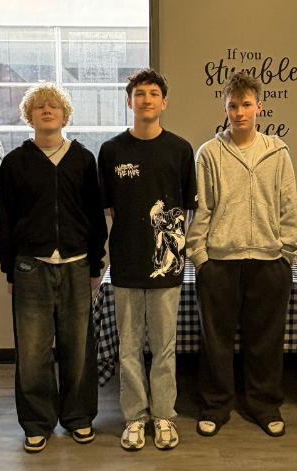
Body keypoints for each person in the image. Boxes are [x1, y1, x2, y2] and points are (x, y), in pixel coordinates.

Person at [186, 71, 297, 438]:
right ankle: (217, 405)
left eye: (246, 105)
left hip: (268, 261)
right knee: (215, 340)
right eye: (233, 106)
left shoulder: (277, 152)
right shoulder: (210, 153)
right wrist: (199, 256)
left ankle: (263, 405)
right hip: (219, 262)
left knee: (265, 340)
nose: (240, 113)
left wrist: (285, 252)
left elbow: (289, 206)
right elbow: (200, 209)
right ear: (226, 108)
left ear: (259, 107)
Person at [0, 82, 108, 453]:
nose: (47, 111)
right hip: (30, 267)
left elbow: (94, 215)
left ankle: (78, 417)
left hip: (77, 264)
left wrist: (97, 261)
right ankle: (37, 422)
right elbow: (5, 221)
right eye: (39, 106)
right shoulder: (15, 163)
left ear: (64, 114)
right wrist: (10, 271)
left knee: (78, 347)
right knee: (32, 352)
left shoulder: (82, 159)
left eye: (53, 106)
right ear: (29, 116)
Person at [98, 69, 196, 451]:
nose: (146, 100)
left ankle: (164, 416)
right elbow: (110, 210)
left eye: (154, 94)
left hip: (167, 268)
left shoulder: (180, 149)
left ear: (164, 102)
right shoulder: (111, 151)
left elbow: (186, 210)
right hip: (125, 264)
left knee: (164, 345)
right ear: (130, 102)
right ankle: (135, 418)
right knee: (128, 346)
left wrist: (170, 252)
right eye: (139, 94)